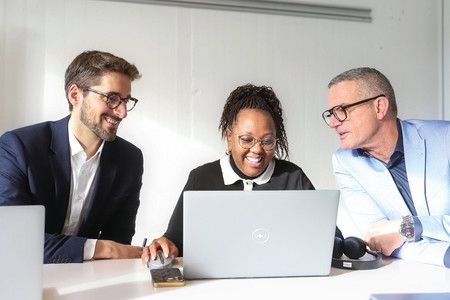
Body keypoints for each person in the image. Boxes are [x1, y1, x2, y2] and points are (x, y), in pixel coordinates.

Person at [142, 84, 321, 264]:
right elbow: (175, 241)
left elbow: (328, 236)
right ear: (229, 138)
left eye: (267, 141)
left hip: (280, 280)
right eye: (246, 140)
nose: (257, 149)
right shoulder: (201, 178)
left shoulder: (293, 177)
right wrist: (163, 245)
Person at [0, 50, 144, 263]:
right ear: (75, 95)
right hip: (19, 276)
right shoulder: (19, 147)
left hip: (88, 279)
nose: (122, 112)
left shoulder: (129, 159)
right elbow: (13, 240)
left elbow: (119, 239)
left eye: (126, 100)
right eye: (112, 98)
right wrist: (106, 249)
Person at [322, 67, 450, 267]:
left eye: (342, 110)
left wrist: (410, 226)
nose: (332, 123)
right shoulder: (344, 162)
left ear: (379, 107)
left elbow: (397, 232)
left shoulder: (445, 139)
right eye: (331, 113)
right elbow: (380, 239)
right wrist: (445, 254)